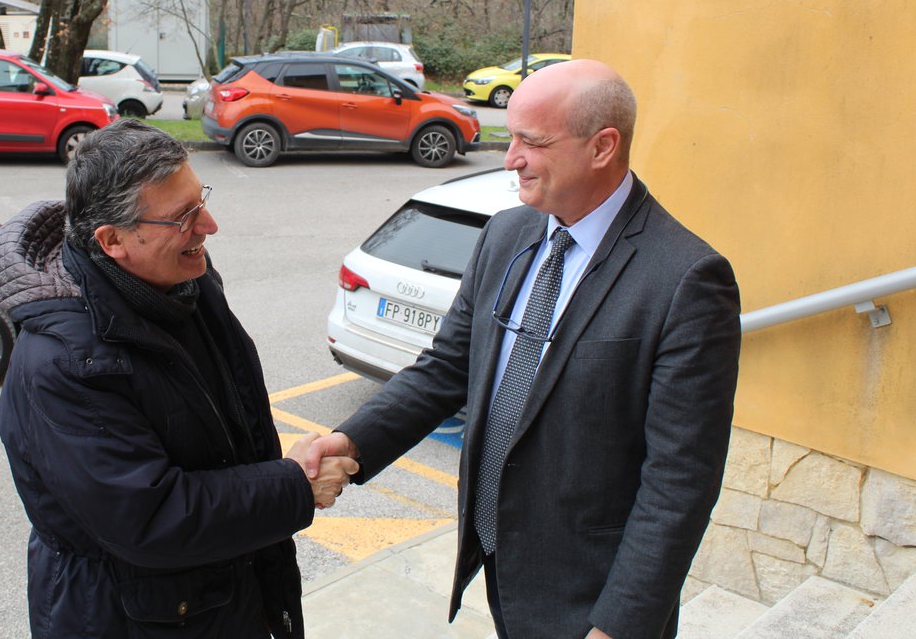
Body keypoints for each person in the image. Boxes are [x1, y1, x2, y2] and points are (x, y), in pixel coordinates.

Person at [305, 59, 741, 639]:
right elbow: (446, 369)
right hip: (502, 569)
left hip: (594, 600)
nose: (510, 159)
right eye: (511, 137)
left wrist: (620, 625)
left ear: (603, 147)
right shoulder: (506, 233)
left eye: (533, 142)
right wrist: (352, 440)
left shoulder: (687, 279)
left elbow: (680, 481)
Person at [0, 119, 357, 639]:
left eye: (201, 200)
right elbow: (149, 517)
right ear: (112, 240)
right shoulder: (63, 364)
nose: (209, 226)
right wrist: (294, 486)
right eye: (183, 216)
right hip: (130, 619)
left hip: (218, 595)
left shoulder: (181, 281)